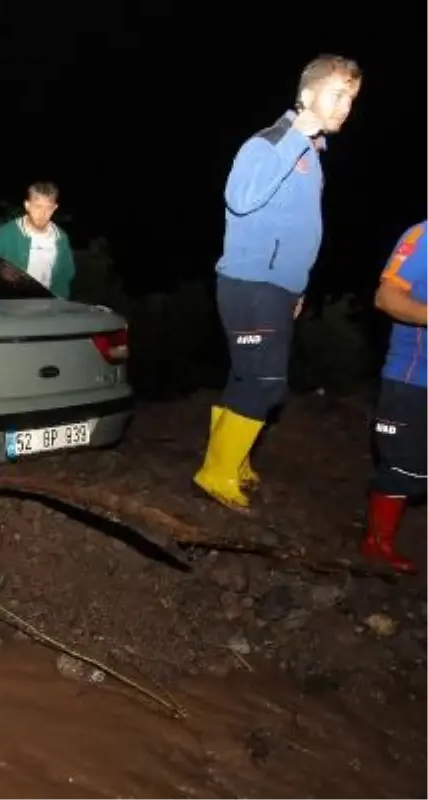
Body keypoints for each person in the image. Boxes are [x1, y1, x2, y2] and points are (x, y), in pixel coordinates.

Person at [195, 54, 362, 512]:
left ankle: (233, 460)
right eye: (337, 94)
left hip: (273, 288)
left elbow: (293, 228)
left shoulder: (310, 154)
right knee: (267, 384)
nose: (346, 105)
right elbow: (240, 198)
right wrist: (296, 136)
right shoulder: (270, 143)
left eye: (351, 98)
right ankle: (216, 473)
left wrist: (296, 288)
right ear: (307, 96)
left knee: (245, 377)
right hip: (251, 283)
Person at [362, 222, 428, 574]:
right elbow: (385, 297)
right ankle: (377, 546)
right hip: (412, 379)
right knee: (405, 470)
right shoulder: (425, 235)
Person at [0, 181, 78, 299]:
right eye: (38, 206)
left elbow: (67, 273)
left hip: (49, 304)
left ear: (55, 208)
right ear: (27, 205)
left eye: (48, 208)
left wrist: (59, 299)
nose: (42, 213)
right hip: (12, 302)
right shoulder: (5, 233)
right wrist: (1, 270)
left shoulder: (60, 238)